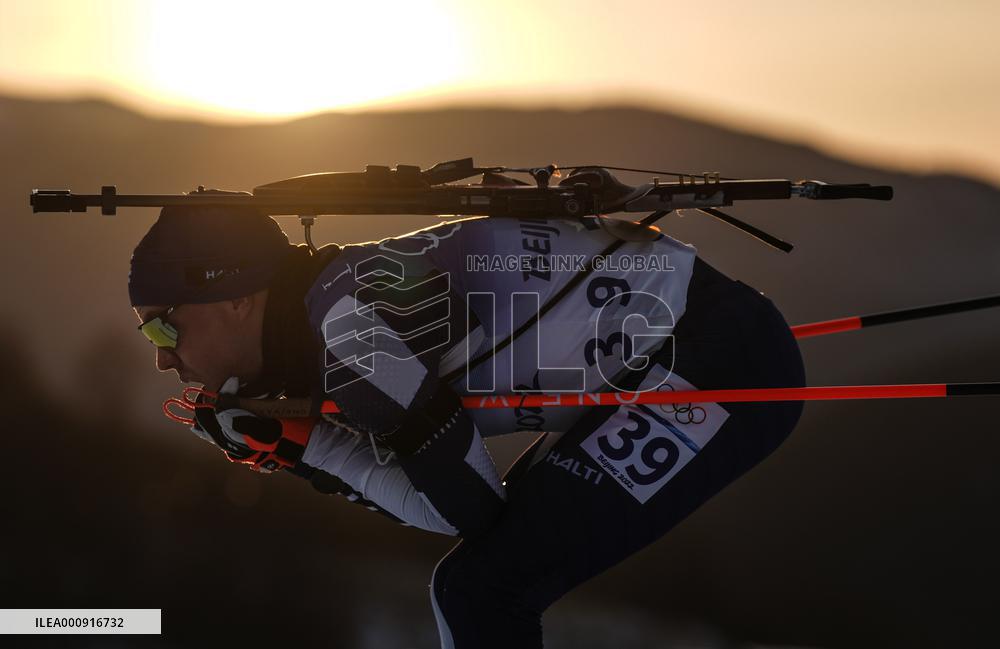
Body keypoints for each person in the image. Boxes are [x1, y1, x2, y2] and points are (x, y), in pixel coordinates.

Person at [130, 190, 806, 648]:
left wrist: (315, 451)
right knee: (477, 587)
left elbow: (468, 510)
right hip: (679, 344)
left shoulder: (350, 336)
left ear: (236, 297)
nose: (162, 358)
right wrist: (305, 440)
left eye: (164, 328)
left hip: (720, 360)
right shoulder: (332, 303)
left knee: (481, 592)